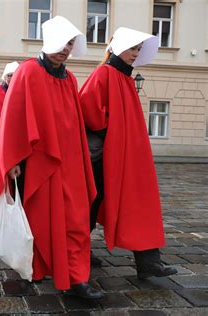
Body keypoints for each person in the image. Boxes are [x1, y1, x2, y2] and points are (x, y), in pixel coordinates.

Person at [0, 16, 102, 299]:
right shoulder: (28, 72)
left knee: (77, 220)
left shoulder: (70, 79)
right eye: (62, 43)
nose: (65, 49)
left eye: (70, 44)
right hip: (39, 163)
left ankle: (77, 278)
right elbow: (12, 118)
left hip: (71, 165)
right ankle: (39, 267)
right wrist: (13, 160)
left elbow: (75, 124)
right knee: (41, 221)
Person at [79, 27, 177, 279]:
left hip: (125, 155)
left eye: (138, 49)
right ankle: (79, 252)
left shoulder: (124, 76)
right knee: (90, 204)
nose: (135, 54)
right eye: (132, 48)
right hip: (104, 157)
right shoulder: (105, 73)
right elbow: (87, 107)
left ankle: (148, 262)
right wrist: (112, 133)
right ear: (119, 46)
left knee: (138, 202)